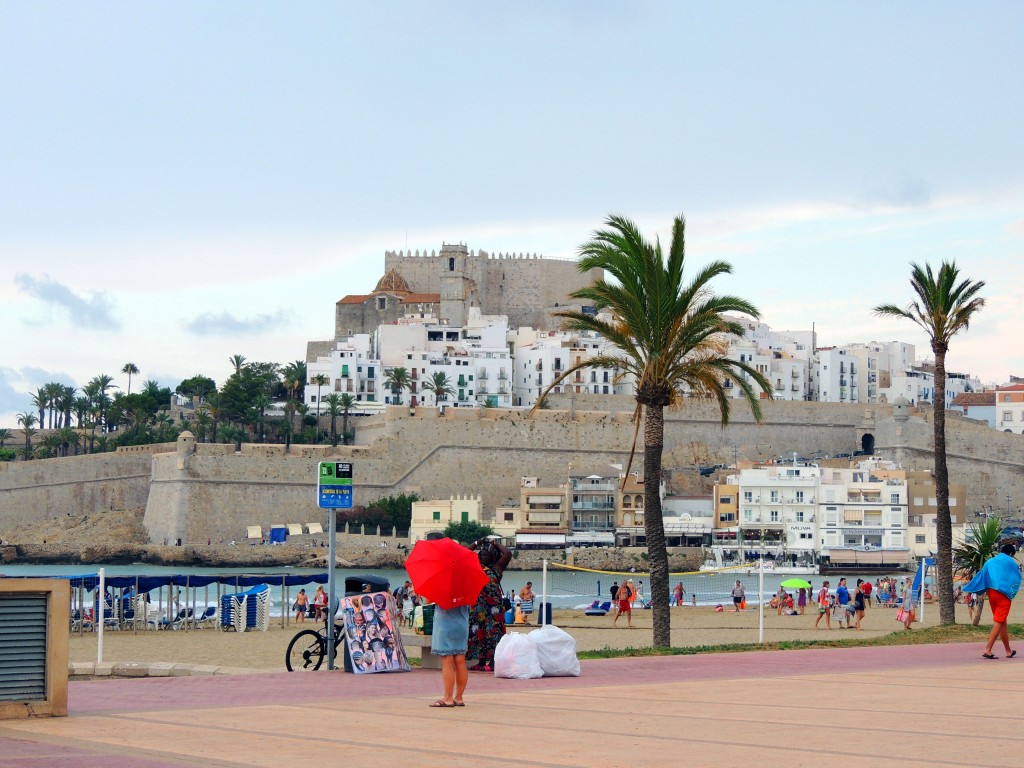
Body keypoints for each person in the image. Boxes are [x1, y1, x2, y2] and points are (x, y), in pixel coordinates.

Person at [964, 542, 1021, 659]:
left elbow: (980, 576)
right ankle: (988, 649)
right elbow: (1017, 578)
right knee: (999, 621)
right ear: (1010, 553)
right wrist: (1012, 591)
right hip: (1003, 595)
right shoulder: (1011, 562)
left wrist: (969, 591)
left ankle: (1008, 651)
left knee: (1002, 621)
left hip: (991, 593)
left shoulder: (990, 562)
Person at [467, 538, 511, 673]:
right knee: (478, 633)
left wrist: (495, 544)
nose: (484, 557)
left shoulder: (497, 568)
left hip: (494, 609)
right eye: (482, 555)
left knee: (494, 634)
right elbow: (465, 554)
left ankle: (492, 662)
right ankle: (480, 661)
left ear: (492, 556)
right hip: (478, 607)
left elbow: (508, 554)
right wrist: (476, 543)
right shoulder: (475, 567)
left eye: (487, 555)